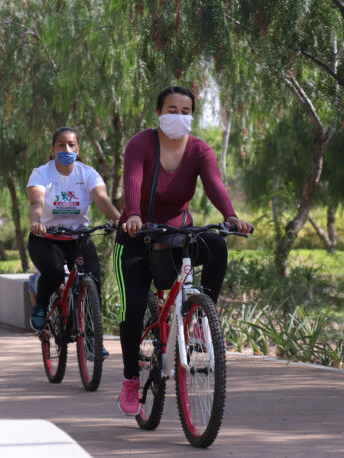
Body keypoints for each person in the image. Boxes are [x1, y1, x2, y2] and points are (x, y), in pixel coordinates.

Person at [114, 86, 253, 416]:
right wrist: (133, 214)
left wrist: (230, 215)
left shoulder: (200, 150)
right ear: (159, 113)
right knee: (133, 308)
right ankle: (131, 378)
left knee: (217, 244)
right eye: (172, 109)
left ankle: (200, 316)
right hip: (137, 236)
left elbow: (215, 184)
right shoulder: (140, 144)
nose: (179, 116)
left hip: (178, 234)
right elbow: (132, 181)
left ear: (193, 114)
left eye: (186, 110)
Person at [26, 127, 121, 330]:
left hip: (78, 237)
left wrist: (118, 218)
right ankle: (41, 304)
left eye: (71, 145)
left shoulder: (87, 173)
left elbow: (102, 199)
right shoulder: (41, 174)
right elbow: (36, 202)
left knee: (92, 282)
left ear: (78, 149)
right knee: (54, 273)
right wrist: (36, 222)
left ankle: (92, 340)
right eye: (61, 144)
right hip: (46, 236)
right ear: (52, 149)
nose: (66, 149)